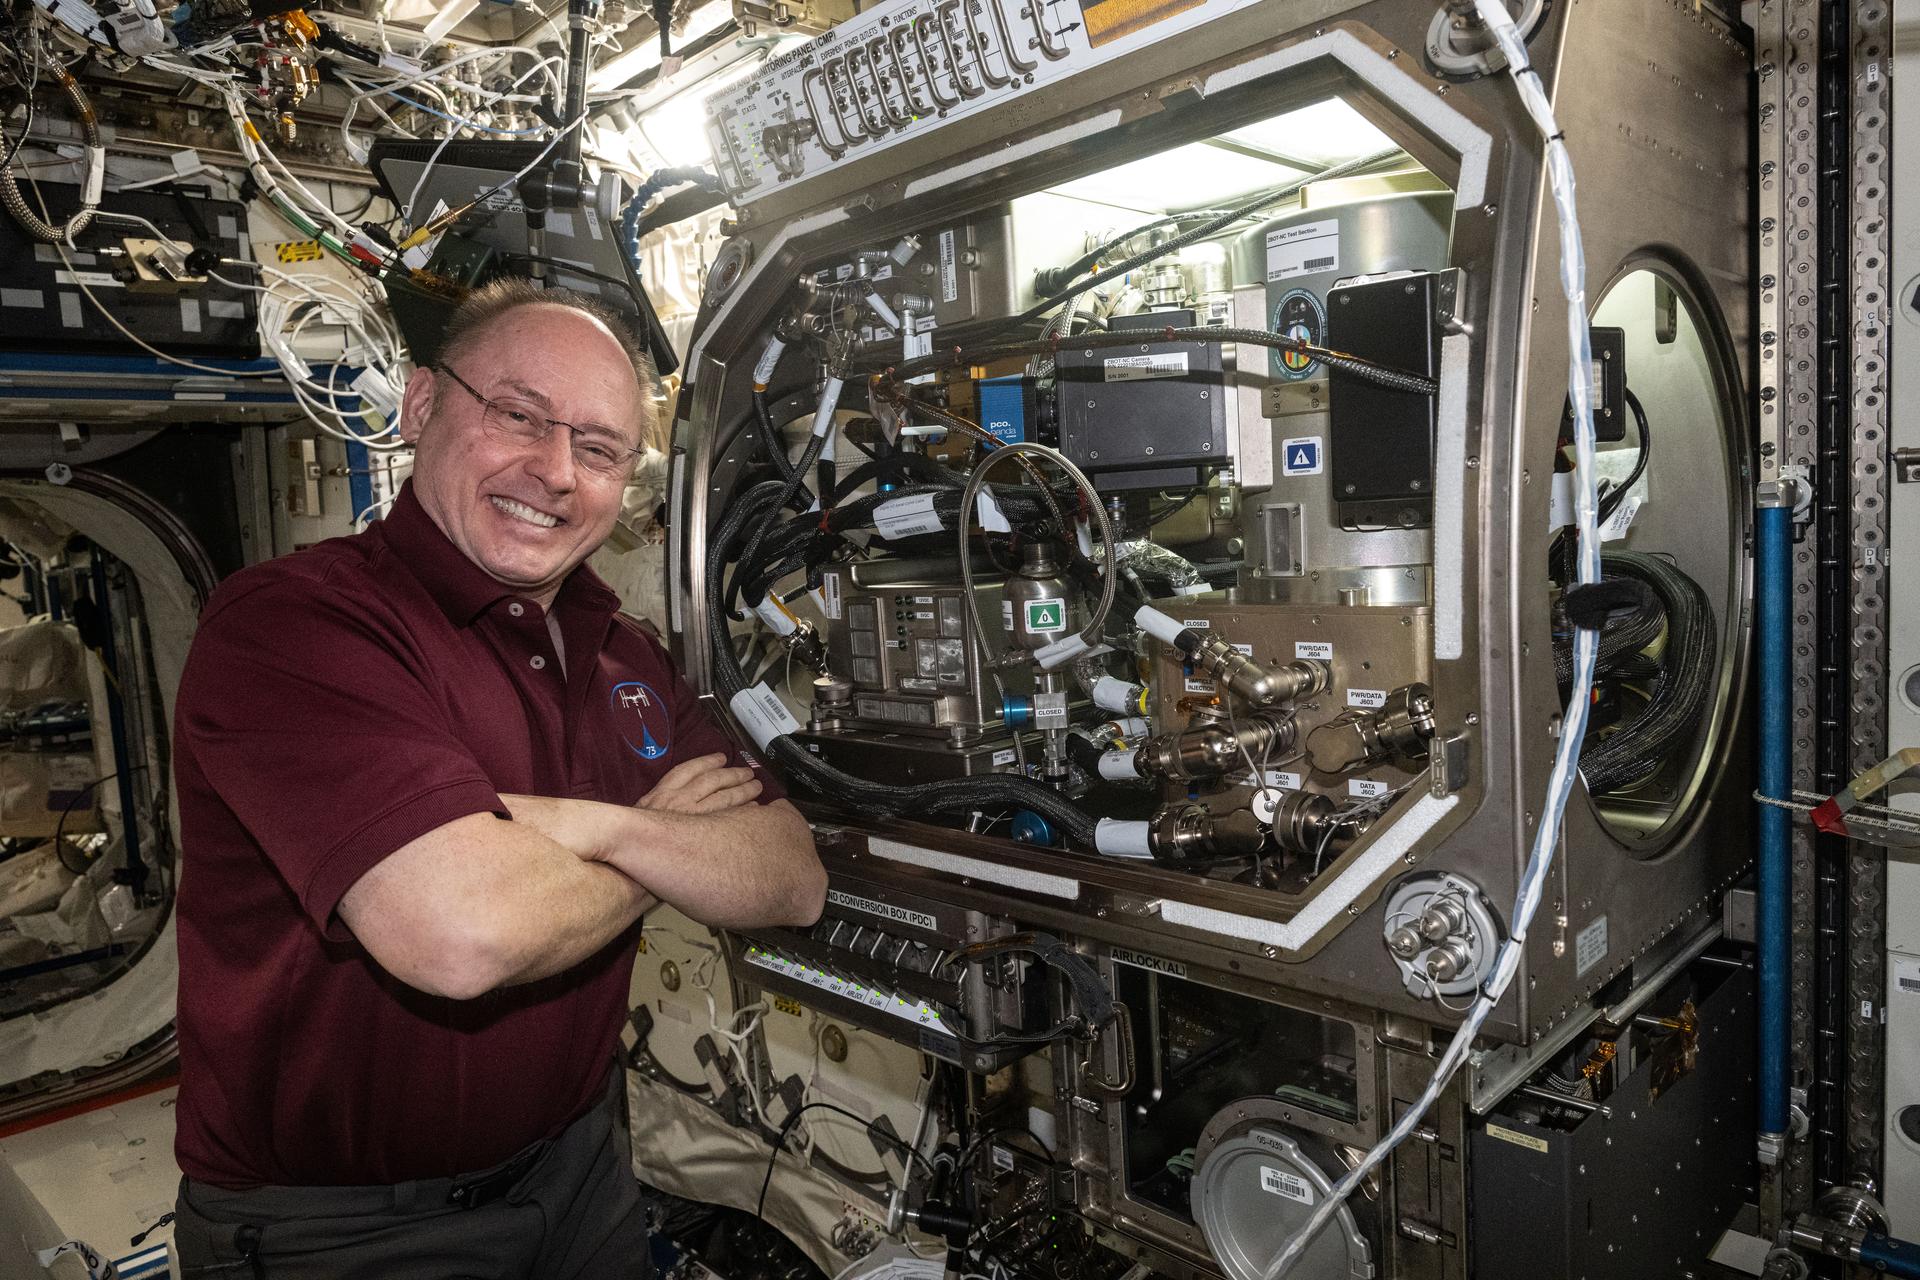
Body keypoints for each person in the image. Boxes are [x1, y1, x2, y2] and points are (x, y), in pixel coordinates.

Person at [168, 279, 825, 1278]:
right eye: (518, 415)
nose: (555, 471)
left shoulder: (623, 656)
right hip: (340, 1230)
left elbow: (789, 874)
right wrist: (659, 837)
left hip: (582, 1176)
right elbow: (462, 934)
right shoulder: (296, 627)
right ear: (422, 404)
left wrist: (582, 826)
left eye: (599, 448)